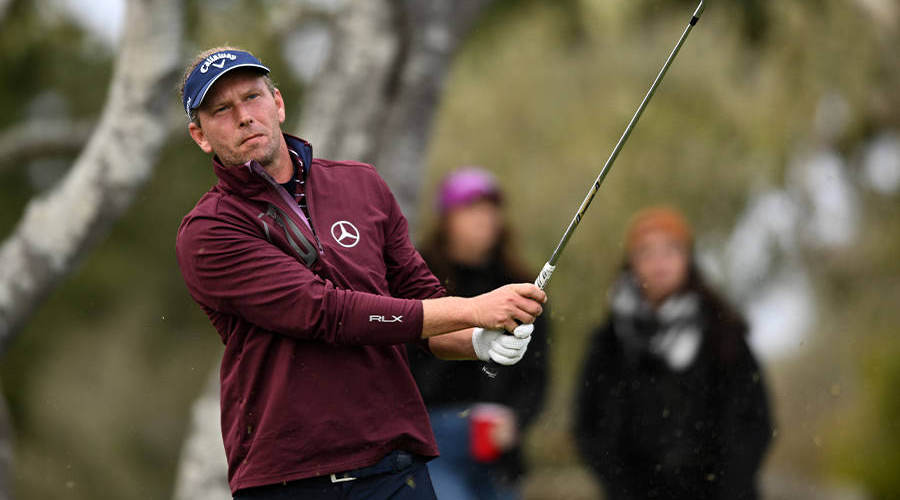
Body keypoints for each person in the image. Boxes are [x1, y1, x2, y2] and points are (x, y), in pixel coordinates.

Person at [174, 47, 547, 500]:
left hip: (393, 464)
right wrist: (473, 309)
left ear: (278, 103)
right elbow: (324, 312)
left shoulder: (361, 184)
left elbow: (422, 303)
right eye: (222, 110)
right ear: (201, 135)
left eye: (252, 98)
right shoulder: (209, 231)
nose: (244, 117)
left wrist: (476, 340)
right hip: (287, 476)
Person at [573, 206, 773, 500]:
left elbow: (755, 421)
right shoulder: (609, 344)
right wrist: (622, 487)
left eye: (670, 250)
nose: (659, 263)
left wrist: (729, 485)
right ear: (632, 262)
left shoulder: (724, 334)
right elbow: (588, 426)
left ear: (687, 259)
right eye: (646, 252)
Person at [406, 167, 549, 500]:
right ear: (446, 218)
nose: (484, 218)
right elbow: (401, 357)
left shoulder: (520, 283)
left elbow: (537, 370)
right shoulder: (416, 275)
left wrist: (517, 418)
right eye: (471, 208)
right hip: (431, 437)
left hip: (498, 446)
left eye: (490, 208)